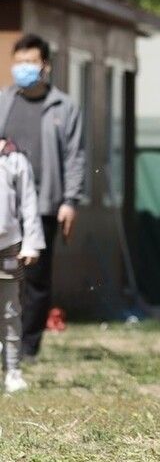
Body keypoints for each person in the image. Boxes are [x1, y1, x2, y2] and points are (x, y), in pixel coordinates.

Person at [0, 34, 84, 362]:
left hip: (46, 204)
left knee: (35, 277)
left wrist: (70, 202)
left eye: (30, 62)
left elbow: (75, 156)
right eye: (18, 62)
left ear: (45, 65)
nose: (23, 68)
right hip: (6, 203)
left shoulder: (64, 106)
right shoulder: (4, 100)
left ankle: (27, 347)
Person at [0, 138, 45, 393]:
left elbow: (29, 203)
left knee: (9, 312)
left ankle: (13, 371)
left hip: (8, 245)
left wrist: (31, 243)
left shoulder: (14, 159)